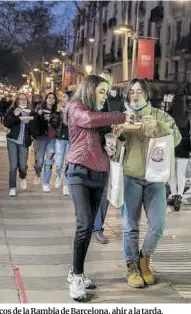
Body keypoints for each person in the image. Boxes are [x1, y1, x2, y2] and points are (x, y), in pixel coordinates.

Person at [65, 75, 129, 301]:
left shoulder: (101, 118)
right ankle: (77, 277)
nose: (105, 96)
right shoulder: (76, 107)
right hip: (79, 172)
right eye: (101, 91)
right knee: (83, 224)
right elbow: (88, 120)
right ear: (90, 89)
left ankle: (75, 271)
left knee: (90, 225)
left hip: (100, 174)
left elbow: (100, 140)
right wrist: (122, 115)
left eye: (107, 92)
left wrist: (110, 143)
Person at [114, 78, 181, 288]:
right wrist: (118, 135)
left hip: (155, 178)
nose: (135, 95)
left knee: (158, 225)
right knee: (130, 226)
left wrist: (158, 126)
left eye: (140, 91)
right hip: (130, 175)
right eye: (131, 91)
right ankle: (132, 266)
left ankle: (145, 259)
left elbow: (177, 138)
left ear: (147, 94)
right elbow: (112, 146)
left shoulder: (161, 115)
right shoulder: (122, 117)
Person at [92, 71, 121, 244]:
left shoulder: (115, 102)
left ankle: (97, 228)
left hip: (107, 153)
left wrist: (116, 132)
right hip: (88, 155)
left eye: (107, 82)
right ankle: (86, 225)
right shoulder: (86, 103)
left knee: (104, 193)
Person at [3, 93, 36, 197]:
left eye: (24, 99)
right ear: (17, 101)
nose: (23, 101)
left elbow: (35, 128)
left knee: (22, 164)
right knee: (13, 166)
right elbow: (6, 123)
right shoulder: (12, 110)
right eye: (20, 99)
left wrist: (30, 122)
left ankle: (22, 176)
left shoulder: (31, 112)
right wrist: (15, 116)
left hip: (24, 142)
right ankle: (12, 187)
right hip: (12, 140)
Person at [167, 94, 191, 211]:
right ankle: (180, 195)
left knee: (172, 174)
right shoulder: (189, 114)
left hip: (171, 146)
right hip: (184, 147)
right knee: (181, 173)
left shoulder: (169, 113)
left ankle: (174, 195)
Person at [31, 93, 57, 192]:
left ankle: (46, 183)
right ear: (45, 99)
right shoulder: (39, 109)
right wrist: (38, 114)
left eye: (53, 98)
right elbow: (33, 120)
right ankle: (38, 174)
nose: (51, 100)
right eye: (49, 97)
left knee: (49, 159)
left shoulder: (57, 110)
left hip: (52, 138)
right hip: (40, 138)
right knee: (39, 161)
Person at [50, 92, 71, 194]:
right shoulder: (59, 108)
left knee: (68, 163)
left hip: (71, 139)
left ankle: (66, 184)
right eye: (62, 97)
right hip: (60, 139)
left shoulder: (75, 109)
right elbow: (53, 124)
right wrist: (58, 112)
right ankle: (59, 176)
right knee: (58, 163)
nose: (62, 99)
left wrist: (70, 113)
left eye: (65, 97)